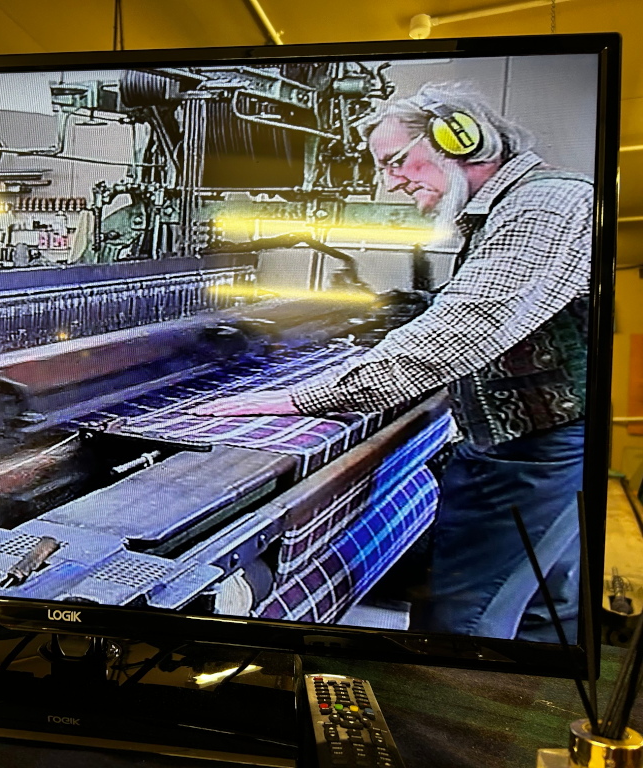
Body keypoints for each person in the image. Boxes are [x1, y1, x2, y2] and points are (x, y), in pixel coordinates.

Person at [193, 83, 593, 642]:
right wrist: (417, 308)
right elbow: (517, 314)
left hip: (529, 455)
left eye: (397, 161)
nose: (391, 183)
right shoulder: (523, 204)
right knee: (544, 609)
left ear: (463, 140)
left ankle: (451, 722)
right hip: (542, 444)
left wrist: (291, 399)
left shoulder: (543, 208)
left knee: (467, 621)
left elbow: (463, 333)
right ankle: (524, 717)